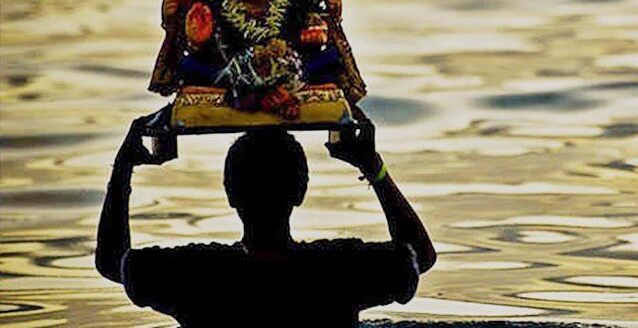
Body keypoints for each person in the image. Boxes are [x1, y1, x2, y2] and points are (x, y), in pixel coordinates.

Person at [95, 117, 436, 327]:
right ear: (301, 191)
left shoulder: (194, 273)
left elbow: (113, 262)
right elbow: (420, 256)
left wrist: (123, 168)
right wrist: (372, 167)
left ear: (229, 194)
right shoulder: (340, 269)